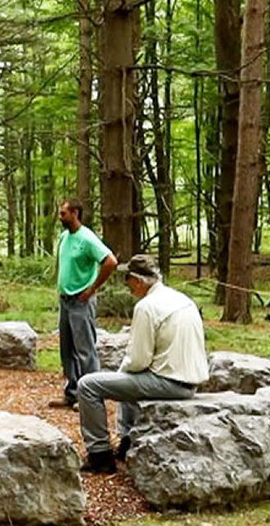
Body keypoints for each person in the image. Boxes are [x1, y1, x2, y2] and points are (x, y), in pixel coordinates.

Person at [76, 254, 209, 473]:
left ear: (137, 281)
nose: (128, 287)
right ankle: (128, 440)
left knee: (88, 385)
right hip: (189, 381)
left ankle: (99, 454)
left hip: (170, 382)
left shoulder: (147, 307)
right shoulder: (182, 299)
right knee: (128, 379)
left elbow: (138, 360)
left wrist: (120, 373)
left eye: (128, 280)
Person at [54, 198, 118, 407]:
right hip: (65, 300)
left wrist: (92, 289)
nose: (60, 217)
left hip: (81, 301)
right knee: (67, 350)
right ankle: (72, 392)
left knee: (85, 350)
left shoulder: (87, 238)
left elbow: (110, 261)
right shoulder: (64, 237)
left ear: (74, 213)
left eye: (63, 213)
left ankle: (90, 396)